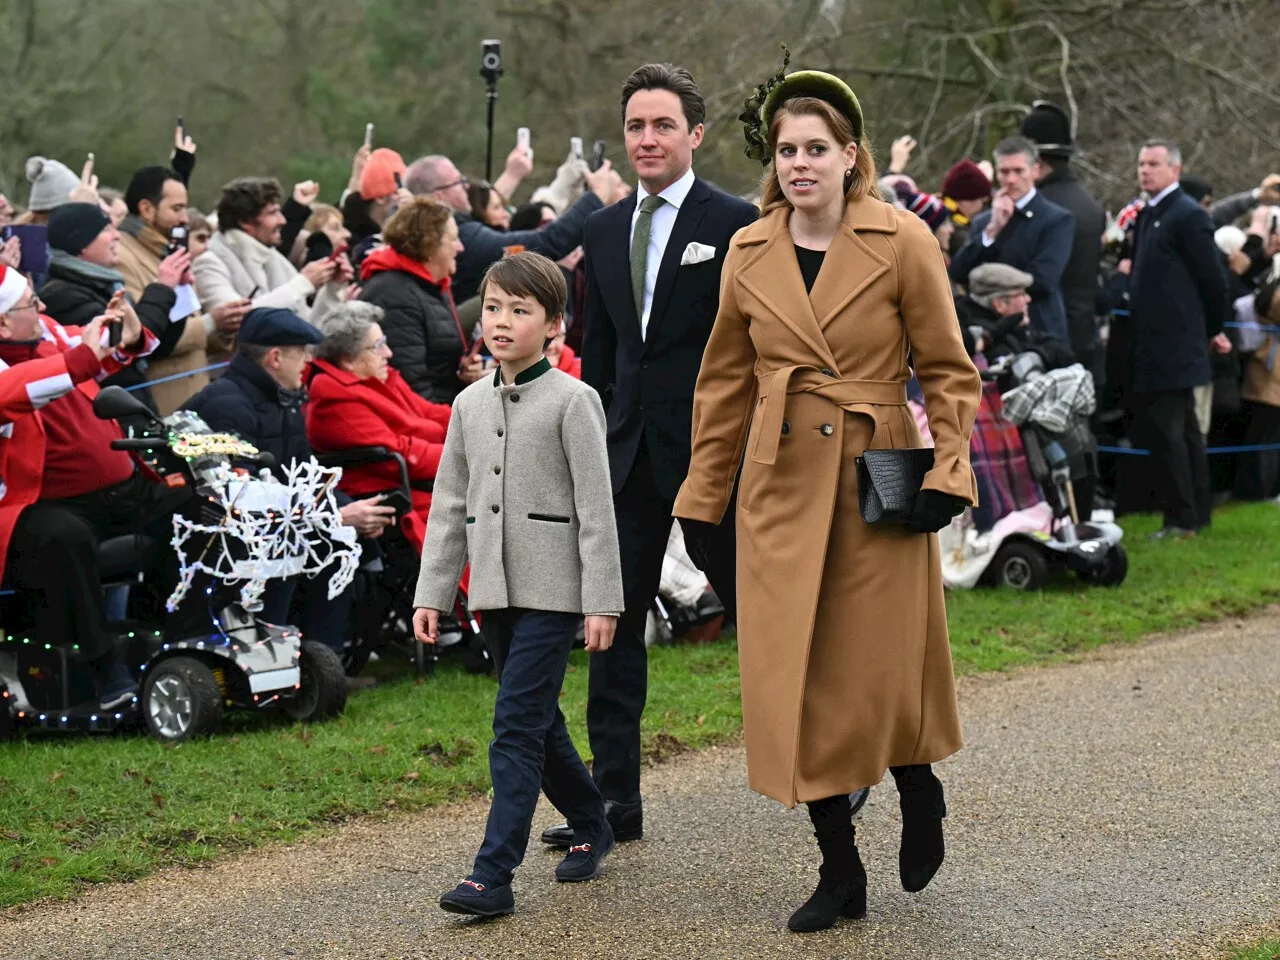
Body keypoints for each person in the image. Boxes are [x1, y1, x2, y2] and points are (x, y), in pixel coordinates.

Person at [671, 62, 980, 933]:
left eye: (816, 148)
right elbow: (722, 382)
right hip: (777, 481)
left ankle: (917, 786)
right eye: (785, 150)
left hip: (874, 477)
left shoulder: (903, 238)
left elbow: (950, 371)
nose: (798, 163)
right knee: (792, 677)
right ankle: (838, 868)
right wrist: (703, 495)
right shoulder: (750, 246)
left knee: (877, 666)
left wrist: (949, 469)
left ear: (852, 155)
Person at [539, 62, 759, 853]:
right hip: (623, 459)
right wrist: (584, 448)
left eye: (663, 125)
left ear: (695, 134)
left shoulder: (737, 221)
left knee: (763, 618)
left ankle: (831, 766)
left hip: (715, 456)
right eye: (636, 126)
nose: (648, 139)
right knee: (612, 632)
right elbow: (600, 360)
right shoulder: (600, 231)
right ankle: (611, 803)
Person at [412, 252, 622, 918]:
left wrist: (602, 600)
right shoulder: (469, 403)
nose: (501, 322)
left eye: (520, 310)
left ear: (554, 324)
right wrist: (431, 591)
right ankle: (593, 820)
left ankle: (491, 873)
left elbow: (596, 505)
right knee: (537, 720)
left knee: (513, 727)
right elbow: (450, 503)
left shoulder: (574, 400)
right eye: (493, 307)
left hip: (557, 592)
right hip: (493, 591)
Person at [0, 264, 165, 710]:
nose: (43, 306)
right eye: (31, 303)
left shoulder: (43, 330)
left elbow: (83, 347)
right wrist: (82, 360)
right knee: (62, 539)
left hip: (110, 488)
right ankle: (102, 669)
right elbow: (16, 387)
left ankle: (183, 637)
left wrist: (122, 332)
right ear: (1, 322)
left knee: (185, 500)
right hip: (31, 506)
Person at [183, 308, 395, 653]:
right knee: (323, 541)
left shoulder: (283, 399)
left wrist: (349, 511)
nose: (308, 362)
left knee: (343, 539)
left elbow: (305, 479)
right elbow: (240, 500)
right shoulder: (227, 405)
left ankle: (324, 661)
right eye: (302, 354)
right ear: (275, 357)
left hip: (282, 523)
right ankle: (288, 663)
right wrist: (337, 517)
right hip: (231, 537)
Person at [1126, 139, 1230, 538]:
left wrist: (1210, 329)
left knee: (1175, 434)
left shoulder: (1186, 215)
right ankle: (1192, 514)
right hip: (1156, 343)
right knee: (1181, 432)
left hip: (1177, 344)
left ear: (1175, 170)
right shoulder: (1149, 214)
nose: (1145, 170)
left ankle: (1183, 518)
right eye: (1141, 163)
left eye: (1153, 163)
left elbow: (1213, 280)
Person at [307, 301, 453, 550]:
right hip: (394, 494)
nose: (388, 353)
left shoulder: (378, 377)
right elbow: (400, 456)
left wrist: (484, 418)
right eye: (377, 346)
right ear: (348, 360)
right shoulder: (333, 398)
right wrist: (469, 452)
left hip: (426, 480)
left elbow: (430, 413)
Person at [115, 165, 249, 413]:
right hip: (163, 399)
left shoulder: (168, 251)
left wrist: (226, 326)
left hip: (193, 397)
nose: (185, 218)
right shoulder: (123, 256)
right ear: (146, 209)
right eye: (176, 209)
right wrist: (211, 323)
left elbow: (190, 322)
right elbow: (140, 337)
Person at [403, 150, 619, 302]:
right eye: (458, 182)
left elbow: (489, 216)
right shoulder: (464, 237)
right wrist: (596, 197)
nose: (466, 186)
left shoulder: (421, 232)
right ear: (439, 196)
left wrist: (513, 175)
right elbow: (546, 242)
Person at [37, 203, 183, 409]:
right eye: (107, 230)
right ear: (81, 243)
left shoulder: (106, 283)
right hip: (111, 416)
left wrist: (178, 289)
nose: (117, 236)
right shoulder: (63, 295)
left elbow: (154, 346)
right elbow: (125, 342)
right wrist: (162, 288)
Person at [949, 137, 1075, 344]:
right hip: (989, 330)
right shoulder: (983, 222)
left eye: (1018, 171)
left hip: (1037, 327)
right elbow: (959, 272)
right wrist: (993, 230)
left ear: (1035, 170)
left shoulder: (1057, 219)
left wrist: (990, 283)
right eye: (1004, 172)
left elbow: (1044, 280)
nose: (1011, 180)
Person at [358, 197, 479, 403]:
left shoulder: (430, 286)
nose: (460, 248)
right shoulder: (395, 296)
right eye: (453, 239)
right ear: (430, 245)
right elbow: (412, 388)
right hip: (426, 423)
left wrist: (463, 373)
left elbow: (437, 368)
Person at [1019, 101, 1106, 369]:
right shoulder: (1090, 205)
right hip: (1085, 334)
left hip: (1046, 339)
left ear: (1038, 162)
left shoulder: (1037, 209)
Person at [192, 177, 351, 322]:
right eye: (272, 213)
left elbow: (310, 330)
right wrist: (303, 283)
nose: (282, 220)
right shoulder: (208, 264)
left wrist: (332, 289)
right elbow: (237, 319)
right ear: (245, 221)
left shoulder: (276, 260)